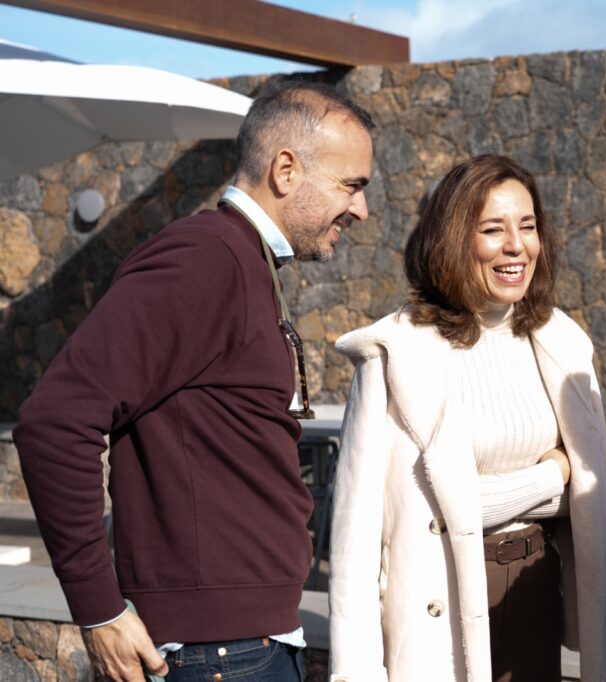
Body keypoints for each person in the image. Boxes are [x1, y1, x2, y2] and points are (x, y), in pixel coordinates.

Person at [14, 81, 374, 682]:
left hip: (243, 645)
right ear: (286, 170)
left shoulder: (244, 261)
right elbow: (54, 422)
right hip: (218, 655)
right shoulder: (205, 258)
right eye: (350, 185)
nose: (360, 209)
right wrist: (100, 610)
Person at [328, 154, 606, 681]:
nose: (516, 246)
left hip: (535, 585)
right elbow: (358, 538)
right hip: (439, 596)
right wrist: (552, 474)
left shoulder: (560, 340)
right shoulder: (396, 352)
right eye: (493, 229)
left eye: (528, 226)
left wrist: (509, 493)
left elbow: (590, 494)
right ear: (452, 240)